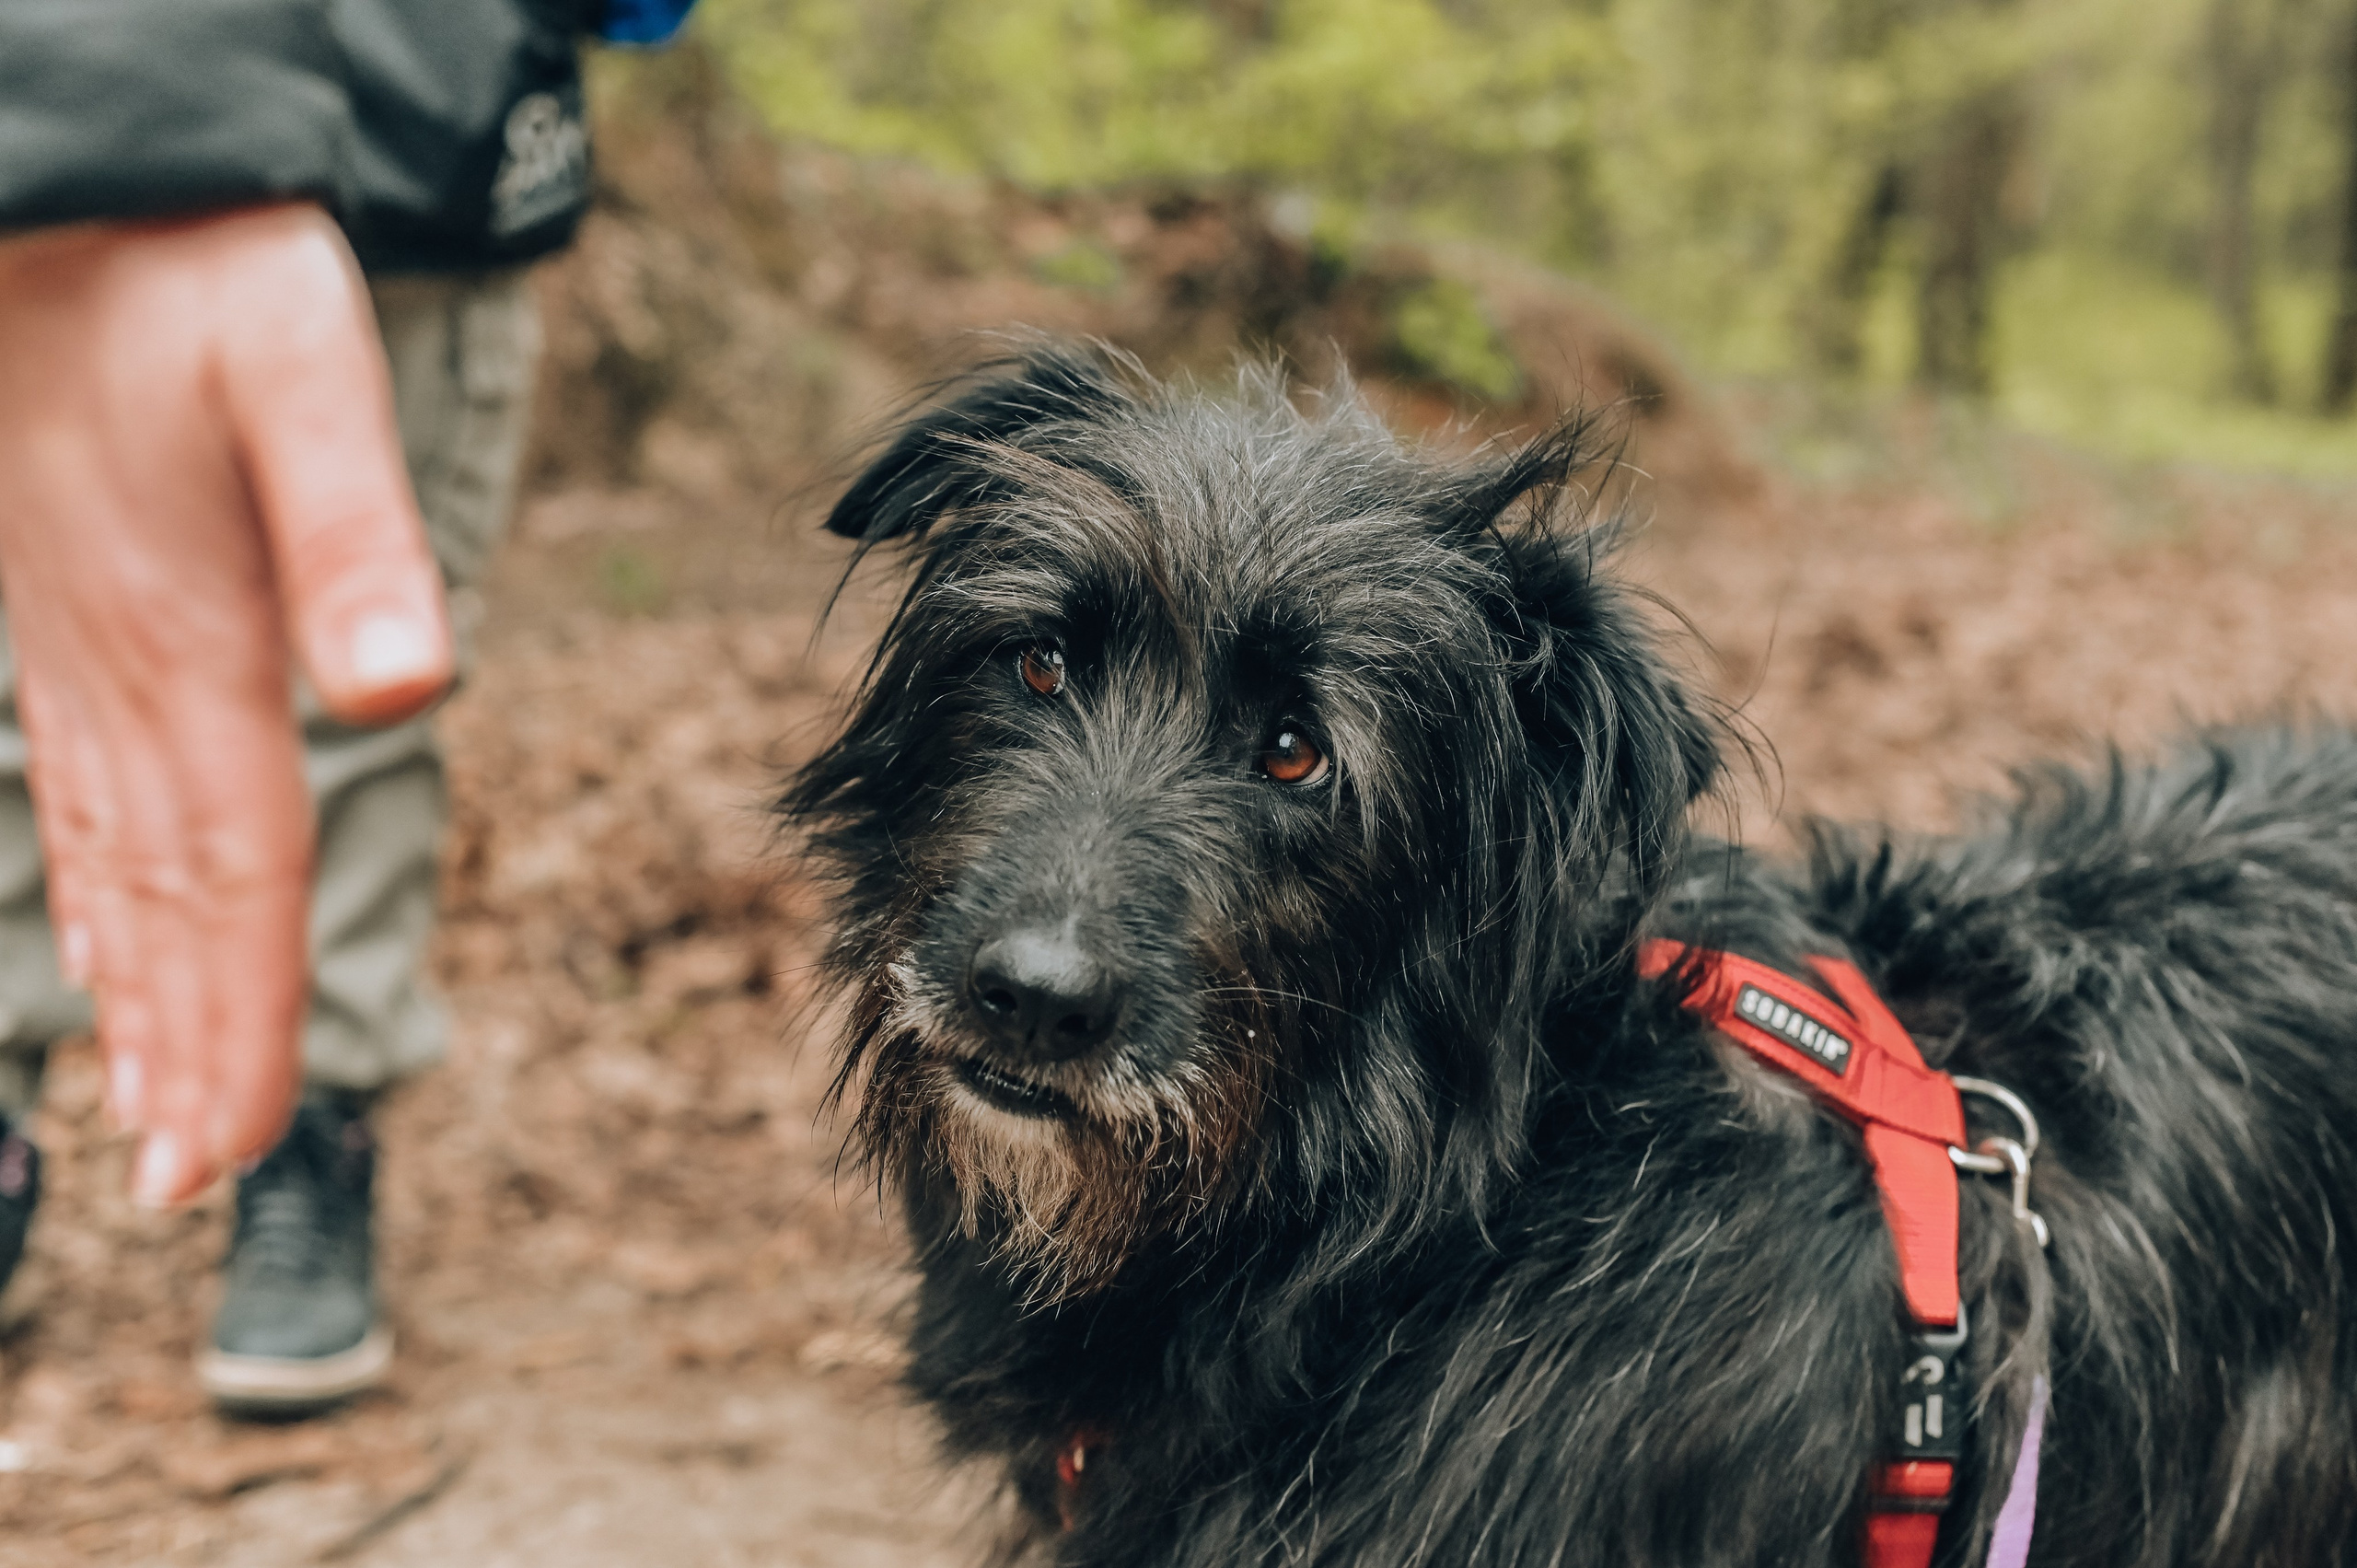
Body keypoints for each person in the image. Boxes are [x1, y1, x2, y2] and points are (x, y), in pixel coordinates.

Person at [0, 0, 693, 1413]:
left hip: (419, 151)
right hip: (38, 176)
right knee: (45, 684)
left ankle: (311, 1133)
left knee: (354, 703)